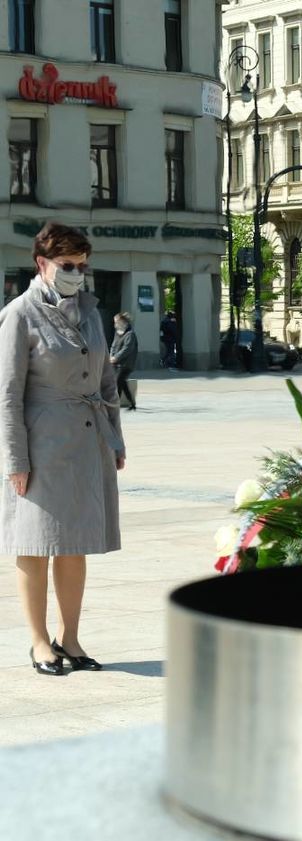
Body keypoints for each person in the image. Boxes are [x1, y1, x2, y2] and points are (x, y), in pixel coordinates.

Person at [0, 222, 125, 675]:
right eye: (68, 265)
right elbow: (8, 394)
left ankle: (69, 638)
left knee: (75, 545)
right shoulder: (20, 313)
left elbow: (105, 378)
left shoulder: (90, 311)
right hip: (42, 443)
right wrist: (16, 459)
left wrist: (116, 437)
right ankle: (38, 643)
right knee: (34, 545)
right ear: (42, 264)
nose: (77, 274)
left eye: (83, 266)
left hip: (88, 438)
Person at [110, 312, 139, 411]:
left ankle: (115, 404)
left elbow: (127, 349)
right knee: (122, 382)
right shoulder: (118, 332)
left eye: (116, 322)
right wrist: (111, 356)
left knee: (119, 381)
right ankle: (132, 403)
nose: (115, 324)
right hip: (117, 363)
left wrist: (116, 357)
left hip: (127, 364)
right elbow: (113, 346)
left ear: (123, 322)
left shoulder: (130, 334)